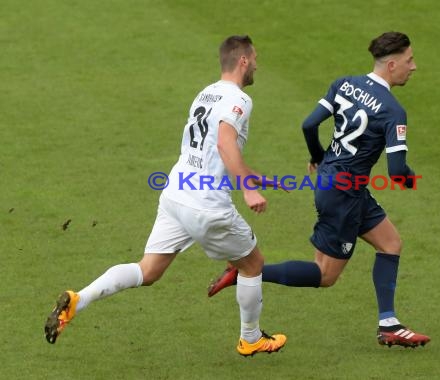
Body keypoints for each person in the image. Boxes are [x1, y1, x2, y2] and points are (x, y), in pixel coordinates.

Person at [44, 35, 287, 357]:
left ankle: (79, 299)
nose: (257, 63)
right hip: (206, 204)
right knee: (253, 264)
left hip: (176, 193)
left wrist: (256, 177)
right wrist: (248, 188)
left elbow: (208, 151)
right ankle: (251, 338)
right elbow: (225, 145)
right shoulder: (240, 99)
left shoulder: (206, 93)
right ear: (243, 60)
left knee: (148, 271)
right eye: (254, 58)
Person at [207, 31, 430, 348]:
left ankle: (389, 324)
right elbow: (396, 172)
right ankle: (245, 272)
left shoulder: (345, 84)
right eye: (409, 60)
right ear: (392, 64)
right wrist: (408, 177)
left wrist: (318, 156)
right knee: (325, 275)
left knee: (391, 243)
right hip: (344, 194)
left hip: (335, 181)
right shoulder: (393, 111)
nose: (414, 67)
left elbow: (309, 125)